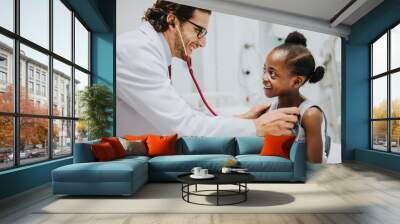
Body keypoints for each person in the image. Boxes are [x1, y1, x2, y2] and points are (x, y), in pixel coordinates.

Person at [116, 0, 299, 137]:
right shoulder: (137, 51)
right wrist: (257, 127)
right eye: (199, 31)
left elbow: (185, 114)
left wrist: (241, 119)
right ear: (172, 21)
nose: (203, 42)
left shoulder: (151, 51)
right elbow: (185, 125)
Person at [262, 31, 327, 163]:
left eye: (272, 73)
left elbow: (314, 167)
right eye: (265, 70)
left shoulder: (310, 114)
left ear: (297, 81)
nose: (264, 78)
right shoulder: (270, 109)